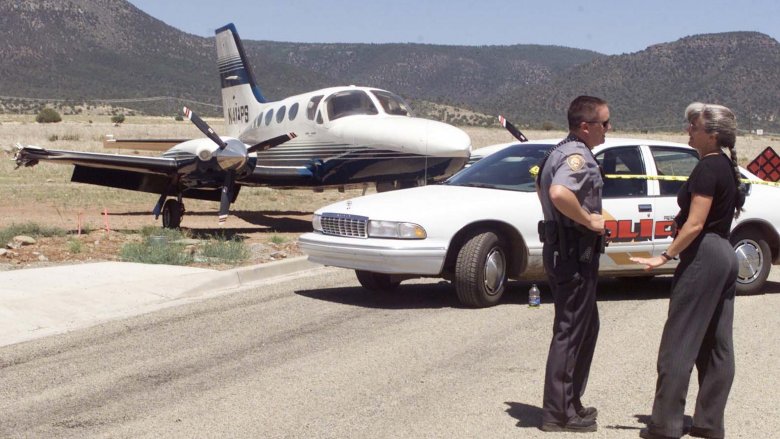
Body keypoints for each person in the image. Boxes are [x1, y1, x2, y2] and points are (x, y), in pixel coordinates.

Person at [630, 102, 744, 439]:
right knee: (716, 344)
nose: (688, 131)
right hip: (724, 252)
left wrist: (663, 257)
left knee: (679, 342)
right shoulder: (724, 165)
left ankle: (665, 425)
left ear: (712, 135)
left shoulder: (708, 168)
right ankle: (709, 423)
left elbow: (695, 224)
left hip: (705, 254)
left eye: (693, 127)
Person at [536, 95, 609, 433]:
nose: (608, 129)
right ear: (585, 126)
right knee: (570, 331)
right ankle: (558, 413)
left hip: (567, 252)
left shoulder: (561, 151)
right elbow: (559, 194)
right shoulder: (576, 156)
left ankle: (569, 401)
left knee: (586, 327)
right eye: (604, 124)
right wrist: (589, 221)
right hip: (572, 255)